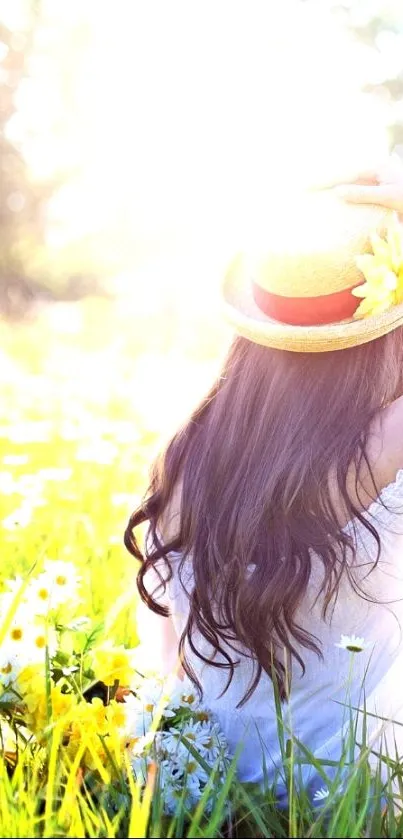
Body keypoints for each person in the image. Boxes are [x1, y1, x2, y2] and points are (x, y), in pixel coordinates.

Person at [124, 157, 403, 798]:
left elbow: (168, 659)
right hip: (345, 801)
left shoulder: (188, 453)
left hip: (197, 786)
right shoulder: (383, 448)